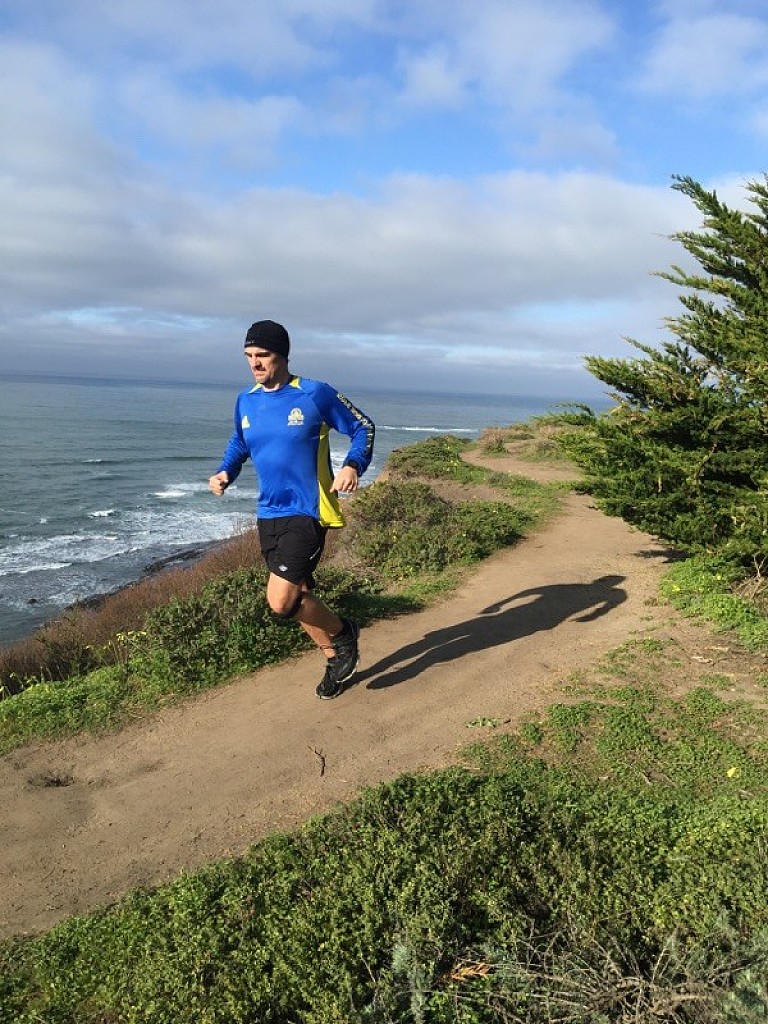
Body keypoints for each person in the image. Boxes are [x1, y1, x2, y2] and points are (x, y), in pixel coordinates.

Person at [209, 319, 375, 699]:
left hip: (308, 510)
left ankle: (344, 633)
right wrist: (225, 472)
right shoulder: (246, 399)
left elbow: (363, 427)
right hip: (268, 513)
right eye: (248, 355)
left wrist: (352, 465)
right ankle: (334, 659)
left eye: (263, 355)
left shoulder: (314, 393)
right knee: (298, 594)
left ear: (283, 356)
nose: (254, 363)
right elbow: (240, 442)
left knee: (280, 601)